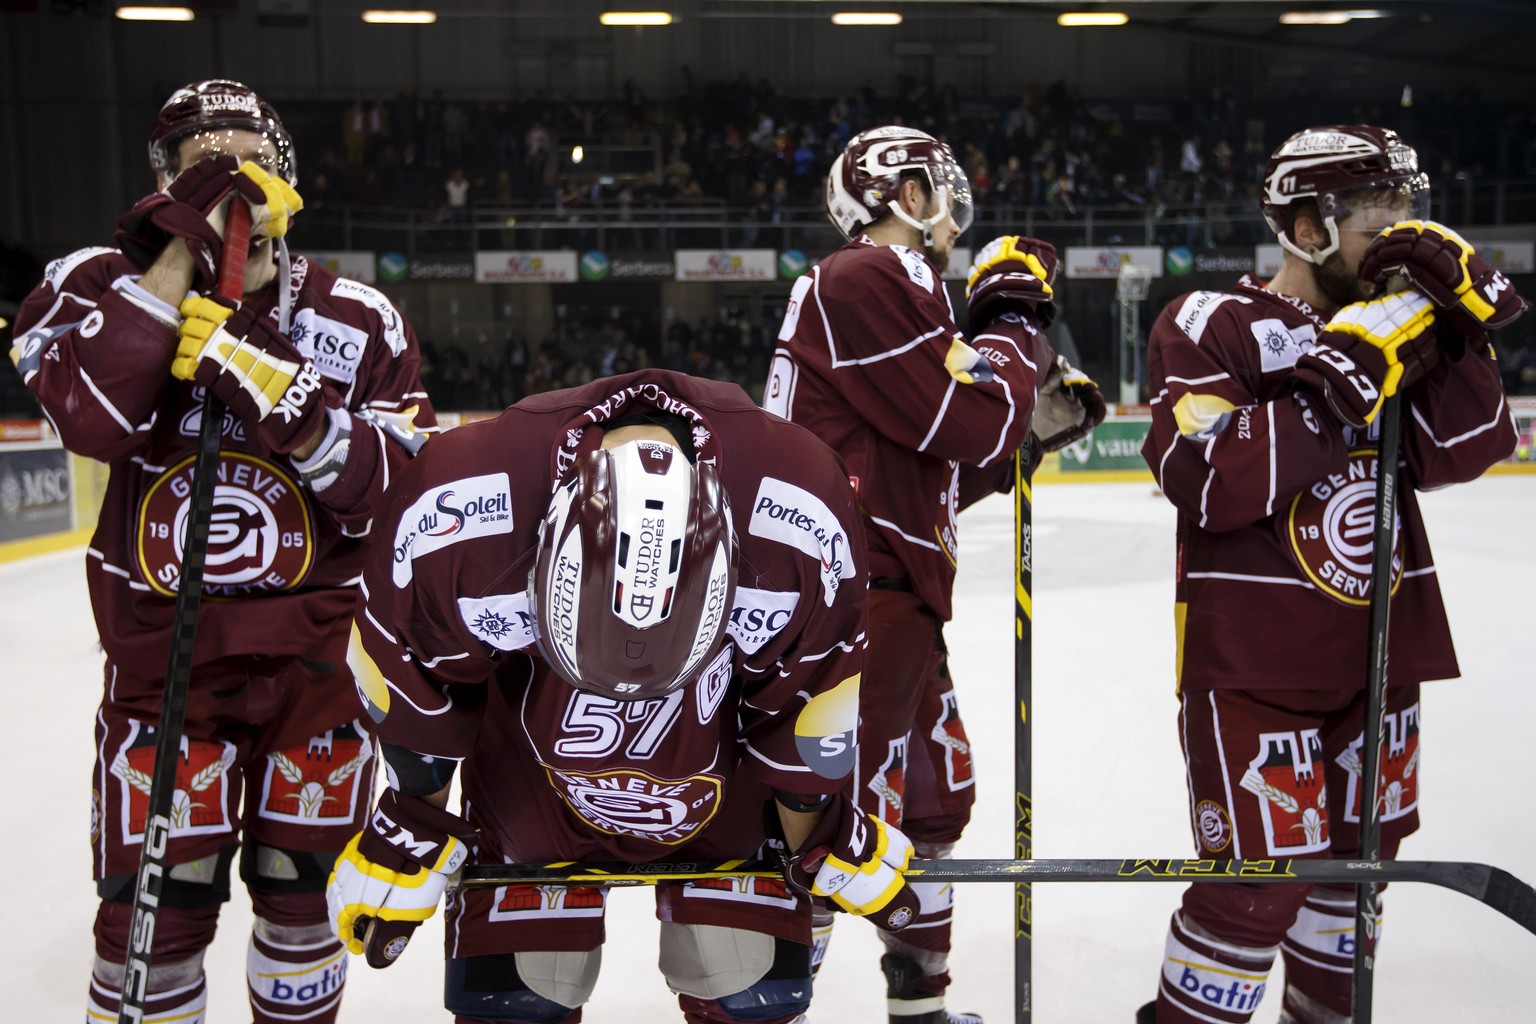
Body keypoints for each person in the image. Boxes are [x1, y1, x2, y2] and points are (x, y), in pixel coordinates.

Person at [8, 79, 436, 1023]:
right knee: (152, 925)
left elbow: (398, 496)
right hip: (164, 671)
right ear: (162, 181)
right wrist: (178, 264)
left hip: (317, 666)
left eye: (251, 156)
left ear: (289, 175)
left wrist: (288, 397)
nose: (232, 176)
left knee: (301, 905)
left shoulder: (362, 319)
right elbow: (92, 420)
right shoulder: (86, 282)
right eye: (204, 162)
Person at [326, 369, 923, 1024]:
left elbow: (806, 693)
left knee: (753, 991)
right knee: (511, 1000)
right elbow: (416, 676)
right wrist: (417, 820)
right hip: (531, 769)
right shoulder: (457, 506)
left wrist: (816, 831)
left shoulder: (796, 511)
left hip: (724, 749)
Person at [1136, 125, 1527, 1024]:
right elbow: (1208, 479)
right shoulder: (1209, 322)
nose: (1400, 231)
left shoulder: (1405, 324)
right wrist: (1342, 374)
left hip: (1380, 661)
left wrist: (1455, 328)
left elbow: (1471, 445)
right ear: (1308, 225)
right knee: (1254, 893)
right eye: (1377, 212)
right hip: (1254, 668)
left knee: (1353, 886)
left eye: (1407, 208)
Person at [764, 126, 1104, 1024]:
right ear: (904, 196)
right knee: (830, 830)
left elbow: (935, 469)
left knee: (929, 808)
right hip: (850, 610)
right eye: (936, 185)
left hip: (892, 594)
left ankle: (920, 1007)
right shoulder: (866, 275)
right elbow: (971, 419)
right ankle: (769, 1006)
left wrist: (1021, 428)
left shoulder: (900, 291)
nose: (953, 201)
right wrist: (1018, 323)